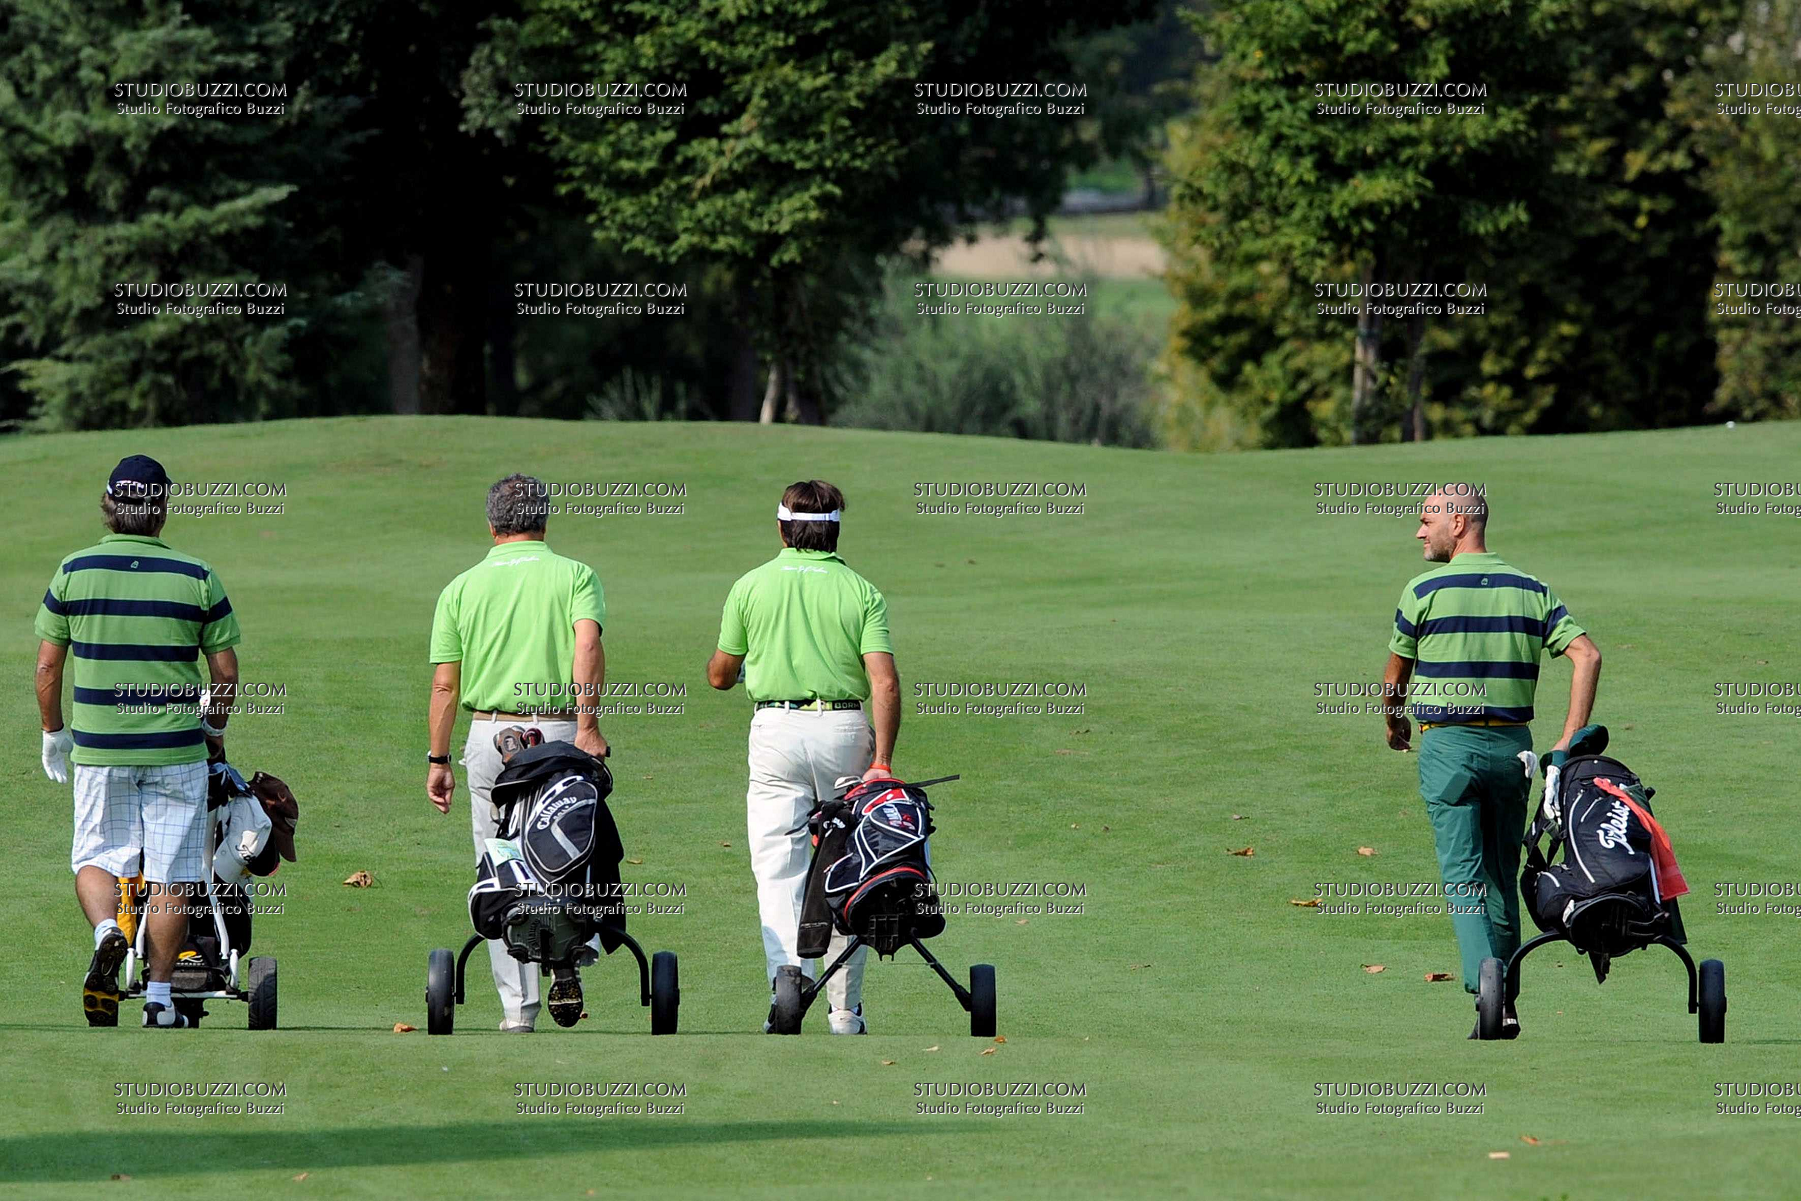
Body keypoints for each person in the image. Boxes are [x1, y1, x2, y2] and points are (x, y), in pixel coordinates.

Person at [1381, 485, 1602, 1038]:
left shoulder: (1422, 589)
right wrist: (1568, 739)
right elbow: (1587, 655)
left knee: (1463, 873)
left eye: (1427, 519)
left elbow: (1395, 675)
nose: (1418, 530)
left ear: (1459, 524)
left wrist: (1393, 719)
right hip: (1513, 752)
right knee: (1503, 873)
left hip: (1448, 748)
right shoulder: (1531, 589)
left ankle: (1487, 990)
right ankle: (1506, 1004)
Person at [35, 455, 242, 1028]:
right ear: (162, 511)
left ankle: (109, 932)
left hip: (101, 750)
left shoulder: (73, 570)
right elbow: (225, 673)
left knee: (97, 857)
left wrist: (53, 731)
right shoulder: (196, 575)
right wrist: (213, 731)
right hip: (177, 751)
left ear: (108, 506)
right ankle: (159, 999)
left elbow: (48, 667)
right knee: (172, 874)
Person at [706, 480, 900, 1034]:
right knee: (851, 866)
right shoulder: (861, 590)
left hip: (776, 731)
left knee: (778, 869)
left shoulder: (751, 585)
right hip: (844, 730)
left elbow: (719, 674)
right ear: (836, 531)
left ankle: (788, 990)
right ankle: (845, 1012)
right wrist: (882, 762)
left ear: (782, 529)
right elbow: (884, 684)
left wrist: (751, 668)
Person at [426, 473, 609, 1032]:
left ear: (492, 524)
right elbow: (586, 644)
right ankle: (569, 955)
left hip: (491, 735)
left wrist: (438, 760)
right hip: (558, 735)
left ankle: (518, 1009)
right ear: (544, 520)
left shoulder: (461, 587)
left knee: (500, 859)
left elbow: (445, 684)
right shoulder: (575, 575)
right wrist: (588, 726)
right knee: (568, 844)